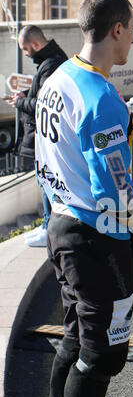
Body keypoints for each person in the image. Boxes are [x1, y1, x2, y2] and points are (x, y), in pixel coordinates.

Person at [34, 0, 133, 397]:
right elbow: (113, 193)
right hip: (94, 237)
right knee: (104, 352)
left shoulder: (59, 75)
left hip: (60, 225)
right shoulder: (101, 97)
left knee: (75, 337)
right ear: (116, 29)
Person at [6, 25, 68, 247]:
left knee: (47, 184)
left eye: (24, 49)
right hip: (44, 136)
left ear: (35, 45)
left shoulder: (50, 65)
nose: (24, 53)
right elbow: (41, 94)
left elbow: (46, 104)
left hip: (45, 137)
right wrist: (26, 94)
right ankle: (46, 228)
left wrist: (20, 102)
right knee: (45, 183)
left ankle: (49, 231)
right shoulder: (50, 61)